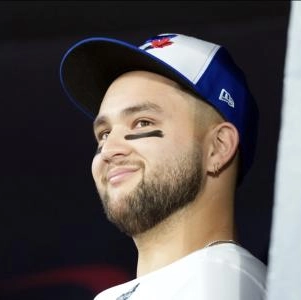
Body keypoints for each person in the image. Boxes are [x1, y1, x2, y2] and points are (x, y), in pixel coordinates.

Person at [60, 33, 266, 299]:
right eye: (104, 133)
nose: (108, 151)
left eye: (143, 122)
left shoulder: (223, 282)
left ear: (218, 147)